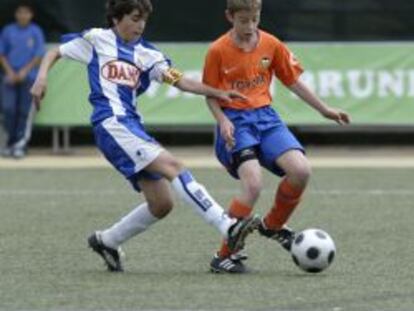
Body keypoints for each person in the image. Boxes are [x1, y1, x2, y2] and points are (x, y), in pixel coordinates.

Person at [31, 0, 260, 272]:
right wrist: (41, 78)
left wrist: (216, 92)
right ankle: (227, 225)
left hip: (132, 127)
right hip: (112, 124)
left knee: (161, 203)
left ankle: (107, 241)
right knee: (174, 167)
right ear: (117, 18)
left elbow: (181, 81)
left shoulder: (148, 54)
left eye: (144, 20)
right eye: (134, 18)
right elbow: (54, 52)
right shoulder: (97, 39)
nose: (140, 25)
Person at [202, 0, 351, 273]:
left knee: (301, 171)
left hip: (266, 119)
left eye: (255, 19)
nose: (249, 27)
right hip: (236, 122)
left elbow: (293, 81)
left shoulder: (271, 44)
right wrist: (222, 121)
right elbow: (210, 95)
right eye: (243, 20)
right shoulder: (217, 51)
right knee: (253, 185)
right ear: (229, 17)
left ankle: (272, 226)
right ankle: (224, 255)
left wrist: (325, 110)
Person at [0, 2, 45, 158]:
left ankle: (20, 144)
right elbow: (2, 53)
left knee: (24, 111)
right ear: (16, 14)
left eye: (26, 13)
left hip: (29, 78)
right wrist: (11, 72)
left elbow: (39, 55)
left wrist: (24, 72)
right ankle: (9, 143)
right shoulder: (8, 30)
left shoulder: (36, 31)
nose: (23, 16)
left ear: (31, 15)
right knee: (8, 109)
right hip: (9, 78)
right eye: (20, 12)